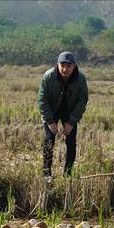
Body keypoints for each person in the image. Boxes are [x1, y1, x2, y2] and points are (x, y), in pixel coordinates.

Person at [37, 51, 89, 181]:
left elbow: (82, 101)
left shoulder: (81, 79)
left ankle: (68, 174)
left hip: (69, 111)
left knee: (71, 143)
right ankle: (46, 174)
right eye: (62, 65)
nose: (65, 69)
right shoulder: (48, 76)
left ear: (74, 66)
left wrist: (71, 122)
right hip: (52, 110)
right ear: (57, 64)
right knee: (49, 141)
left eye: (69, 66)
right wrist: (50, 121)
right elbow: (42, 100)